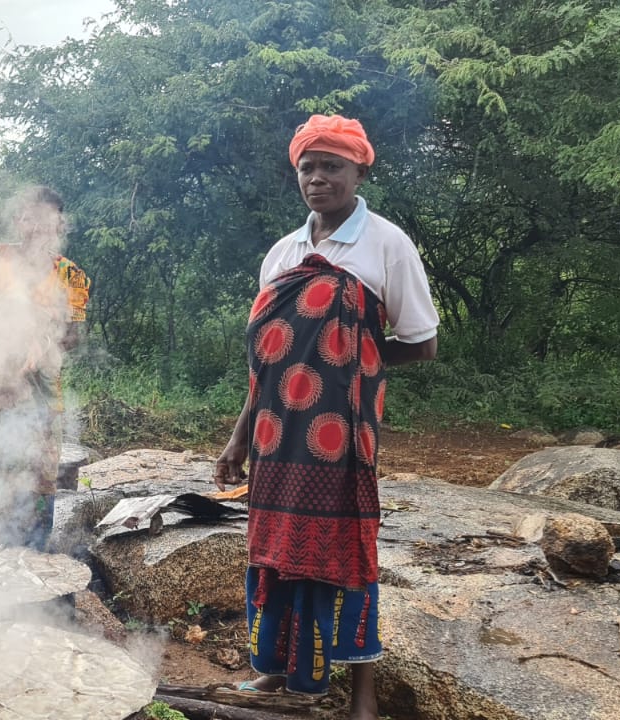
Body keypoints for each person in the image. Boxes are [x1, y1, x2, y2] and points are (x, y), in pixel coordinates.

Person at [212, 114, 439, 720]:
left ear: (360, 170)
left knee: (348, 552)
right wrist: (237, 441)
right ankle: (274, 671)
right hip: (273, 437)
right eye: (307, 167)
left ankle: (361, 694)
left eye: (331, 166)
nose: (318, 178)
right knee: (272, 550)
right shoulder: (284, 251)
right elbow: (267, 361)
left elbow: (422, 344)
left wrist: (351, 358)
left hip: (340, 437)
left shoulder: (386, 243)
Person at [0, 186, 90, 550]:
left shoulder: (70, 276)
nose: (37, 227)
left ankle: (32, 565)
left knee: (37, 478)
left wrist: (44, 341)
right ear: (18, 220)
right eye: (30, 217)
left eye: (48, 220)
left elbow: (72, 336)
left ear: (59, 225)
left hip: (41, 396)